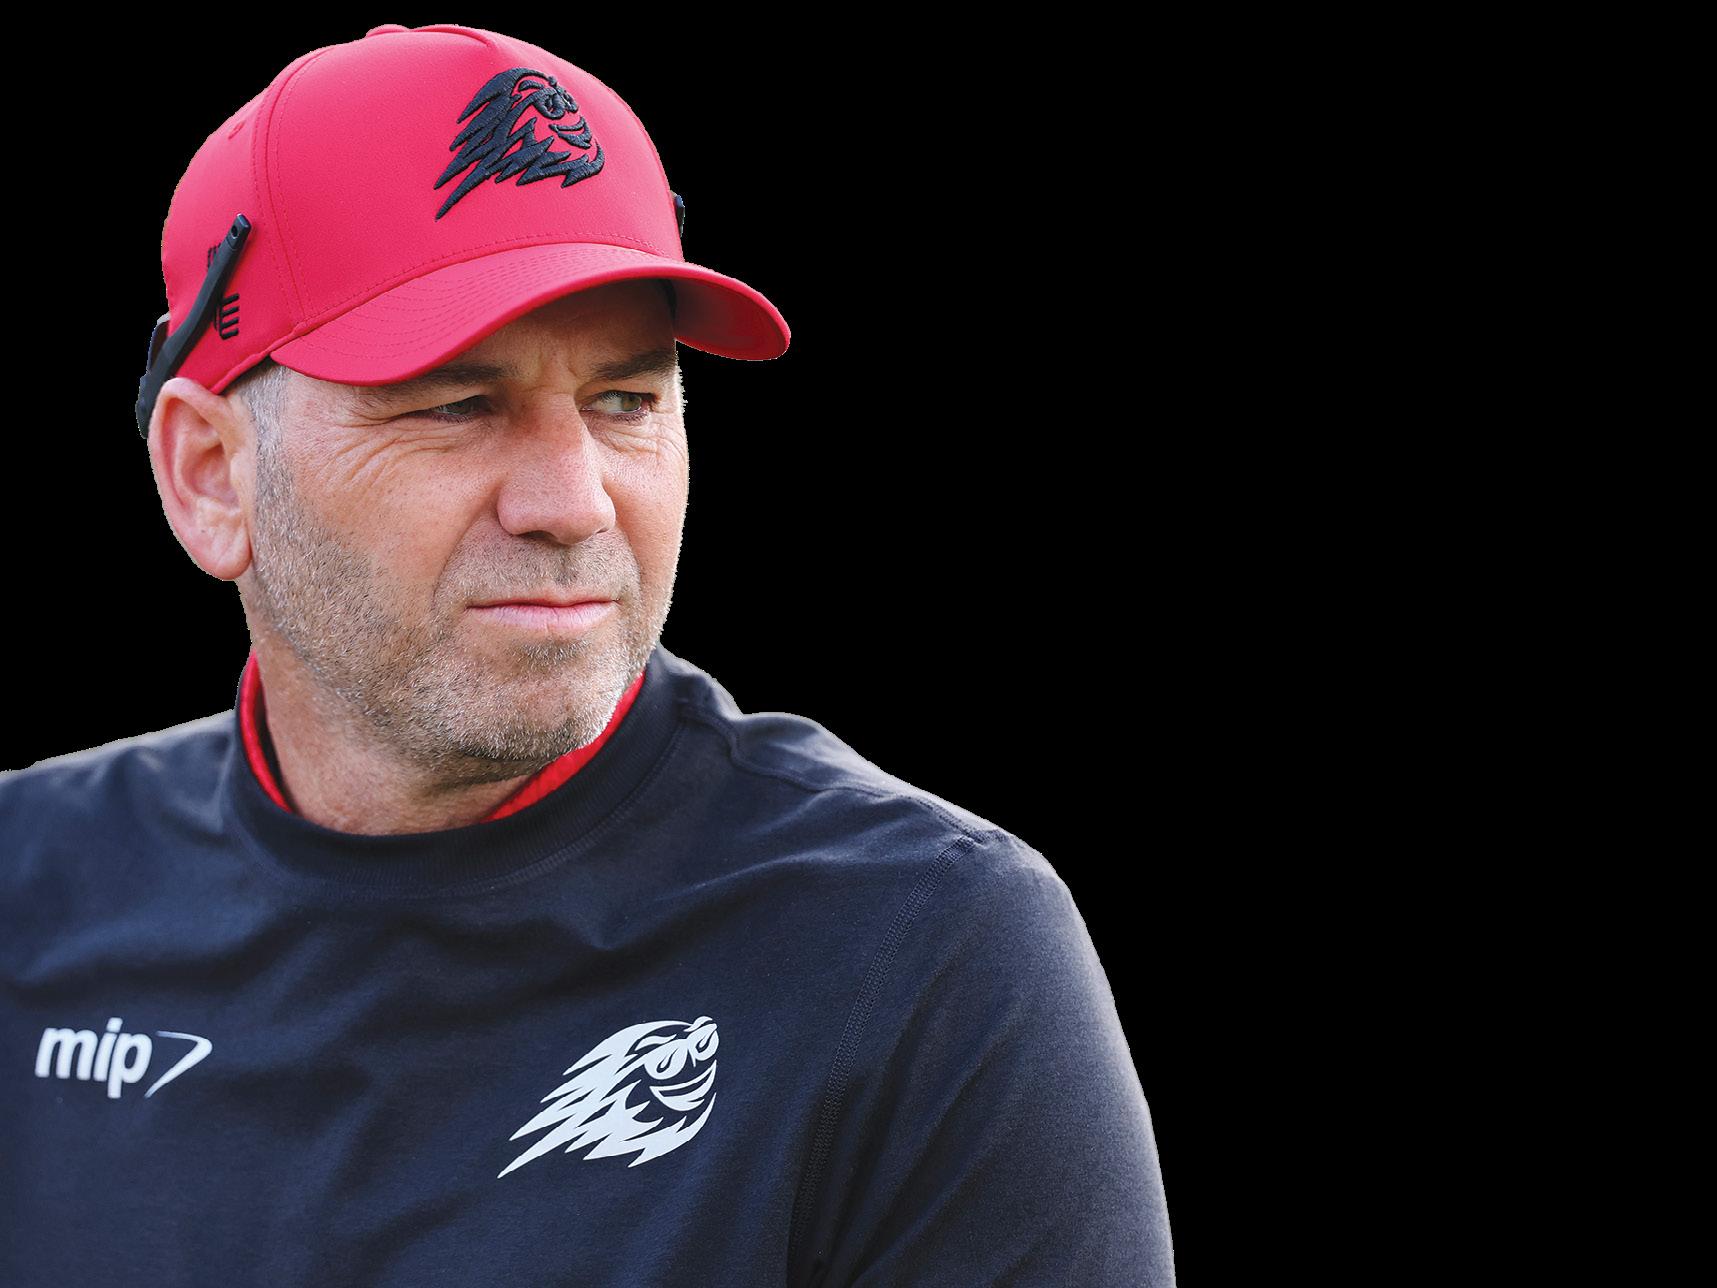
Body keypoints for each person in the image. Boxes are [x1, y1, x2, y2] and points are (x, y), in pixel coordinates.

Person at [0, 23, 1175, 1287]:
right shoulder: (26, 886)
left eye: (626, 400)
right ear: (210, 476)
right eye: (458, 403)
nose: (572, 502)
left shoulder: (919, 954)